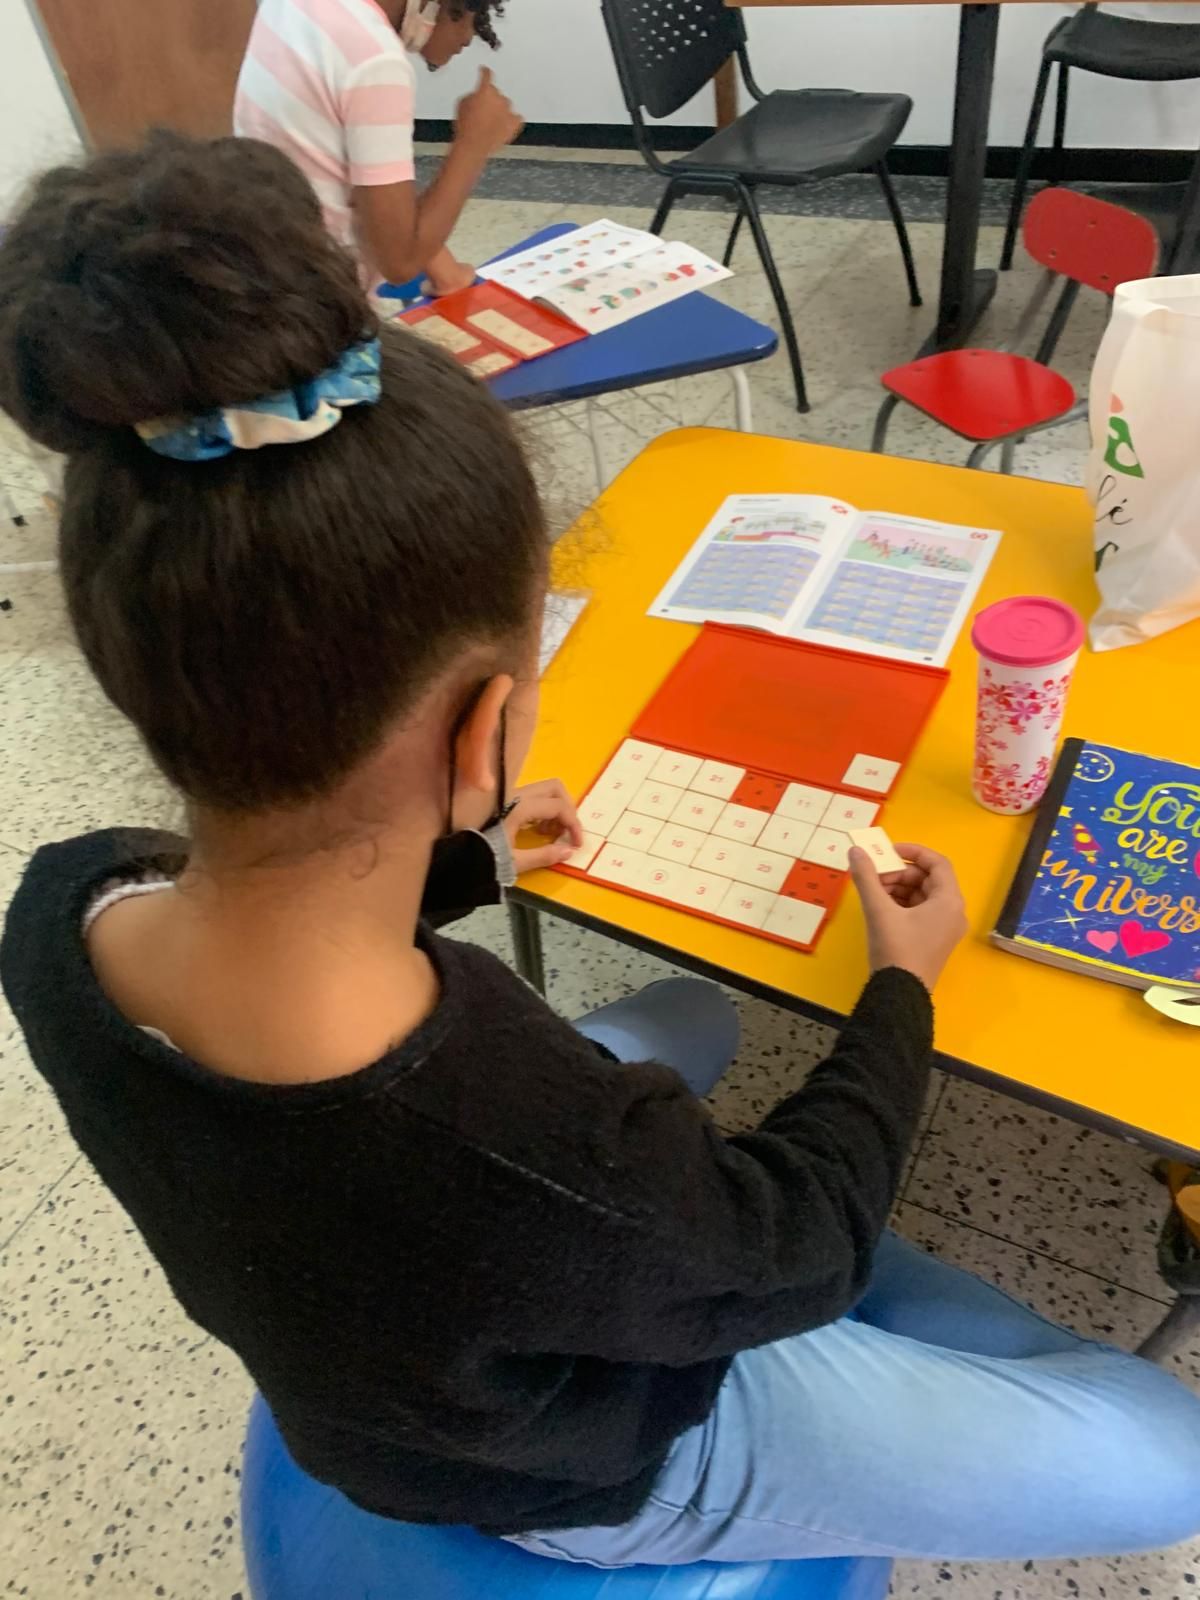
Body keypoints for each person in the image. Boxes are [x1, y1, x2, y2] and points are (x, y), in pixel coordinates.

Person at [2, 131, 1199, 1572]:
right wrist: (903, 995)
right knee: (1165, 1449)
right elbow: (796, 1250)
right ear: (482, 728)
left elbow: (314, 956)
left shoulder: (61, 898)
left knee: (692, 1019)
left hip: (399, 1318)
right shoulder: (523, 1151)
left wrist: (477, 858)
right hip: (590, 1461)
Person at [235, 0, 522, 297]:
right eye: (475, 12)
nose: (471, 36)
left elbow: (354, 177)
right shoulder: (374, 61)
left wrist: (445, 271)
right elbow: (400, 263)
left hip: (261, 272)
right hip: (320, 309)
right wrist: (472, 144)